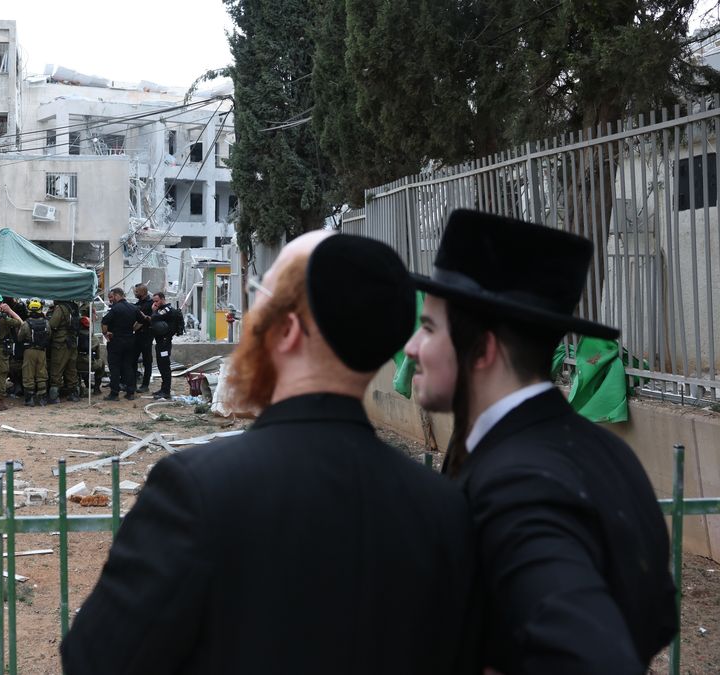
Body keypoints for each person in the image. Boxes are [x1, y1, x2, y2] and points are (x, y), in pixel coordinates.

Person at [62, 232, 476, 674]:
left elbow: (96, 658)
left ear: (287, 332)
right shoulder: (445, 510)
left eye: (259, 295)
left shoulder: (194, 491)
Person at [403, 209, 676, 674]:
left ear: (483, 349)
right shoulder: (610, 454)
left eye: (428, 328)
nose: (411, 347)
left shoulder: (517, 486)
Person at [100, 287, 145, 400]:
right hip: (130, 341)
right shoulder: (133, 308)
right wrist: (133, 329)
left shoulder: (115, 309)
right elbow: (142, 320)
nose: (110, 300)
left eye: (111, 297)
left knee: (114, 367)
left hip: (116, 341)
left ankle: (114, 393)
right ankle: (130, 392)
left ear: (117, 295)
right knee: (128, 366)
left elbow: (104, 322)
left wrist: (106, 333)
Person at [148, 292, 183, 399]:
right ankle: (163, 389)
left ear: (163, 299)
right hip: (161, 342)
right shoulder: (161, 309)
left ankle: (166, 391)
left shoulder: (167, 310)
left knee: (164, 366)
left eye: (157, 301)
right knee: (161, 365)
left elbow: (154, 318)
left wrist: (153, 311)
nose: (155, 303)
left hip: (165, 343)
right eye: (154, 301)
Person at [17, 299, 51, 406]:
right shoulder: (46, 323)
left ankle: (29, 399)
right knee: (42, 373)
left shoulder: (26, 323)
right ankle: (42, 398)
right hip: (42, 351)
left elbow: (20, 338)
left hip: (29, 351)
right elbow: (49, 335)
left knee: (28, 374)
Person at [47, 299, 80, 404]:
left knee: (56, 368)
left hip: (60, 342)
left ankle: (54, 396)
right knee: (71, 369)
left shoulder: (60, 308)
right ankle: (74, 394)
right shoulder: (74, 306)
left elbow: (52, 324)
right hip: (72, 341)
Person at [131, 283, 155, 393]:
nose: (135, 294)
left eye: (137, 292)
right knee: (133, 359)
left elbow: (148, 319)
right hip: (137, 335)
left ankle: (145, 385)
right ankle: (132, 383)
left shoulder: (150, 304)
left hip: (146, 335)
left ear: (143, 292)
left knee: (147, 361)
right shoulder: (138, 304)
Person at [76, 310, 105, 395]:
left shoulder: (75, 337)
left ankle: (80, 386)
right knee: (102, 363)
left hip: (75, 364)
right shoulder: (94, 338)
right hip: (88, 363)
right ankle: (96, 388)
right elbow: (98, 355)